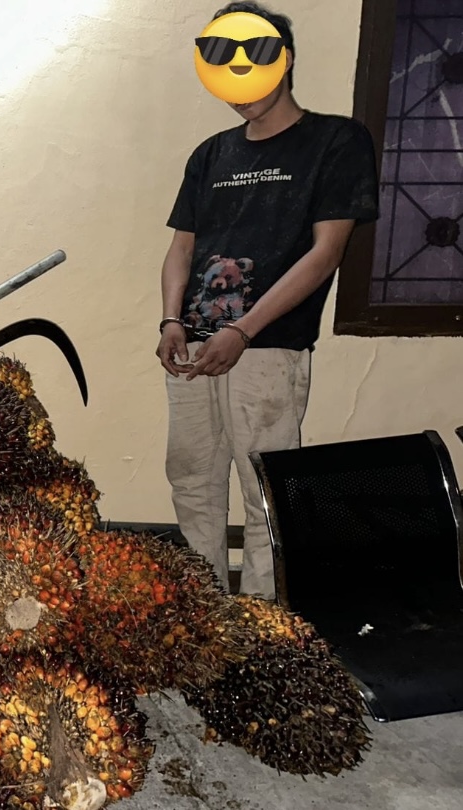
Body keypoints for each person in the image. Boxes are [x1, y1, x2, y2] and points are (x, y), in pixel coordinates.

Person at [156, 1, 379, 600]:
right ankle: (203, 614)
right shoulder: (211, 154)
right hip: (193, 345)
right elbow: (181, 248)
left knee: (266, 491)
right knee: (192, 481)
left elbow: (326, 253)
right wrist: (171, 320)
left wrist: (244, 330)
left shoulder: (336, 141)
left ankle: (261, 623)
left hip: (267, 345)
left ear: (285, 61)